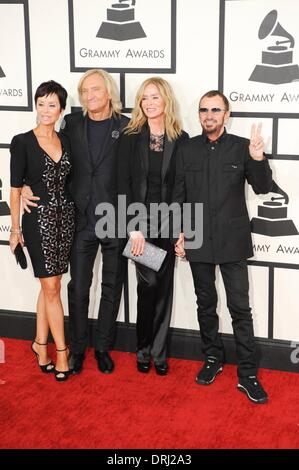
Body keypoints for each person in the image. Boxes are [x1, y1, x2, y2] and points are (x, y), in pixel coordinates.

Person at [21, 69, 129, 375]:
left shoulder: (127, 126)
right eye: (84, 92)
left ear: (109, 92)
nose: (90, 96)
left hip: (115, 218)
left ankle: (104, 348)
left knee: (111, 286)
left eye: (95, 90)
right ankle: (78, 348)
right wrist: (27, 186)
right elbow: (48, 161)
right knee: (79, 287)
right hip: (78, 219)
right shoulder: (71, 124)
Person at [173, 90, 273, 403]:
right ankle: (213, 359)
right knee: (206, 304)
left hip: (233, 240)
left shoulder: (243, 147)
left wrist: (258, 159)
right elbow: (179, 195)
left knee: (240, 309)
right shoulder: (187, 149)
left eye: (216, 110)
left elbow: (263, 187)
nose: (209, 115)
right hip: (198, 237)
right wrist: (178, 232)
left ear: (226, 115)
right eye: (204, 110)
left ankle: (248, 373)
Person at [118, 77, 189, 375]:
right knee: (147, 286)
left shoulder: (180, 138)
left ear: (166, 101)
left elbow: (183, 187)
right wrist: (133, 228)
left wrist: (182, 230)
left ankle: (158, 353)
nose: (148, 103)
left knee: (164, 289)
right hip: (140, 224)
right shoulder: (130, 136)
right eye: (144, 98)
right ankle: (143, 348)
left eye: (155, 97)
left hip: (168, 223)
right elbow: (122, 182)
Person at [10, 80, 74, 382]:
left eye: (52, 104)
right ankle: (61, 351)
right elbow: (14, 189)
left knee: (52, 286)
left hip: (66, 221)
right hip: (39, 221)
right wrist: (15, 229)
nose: (45, 110)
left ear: (61, 108)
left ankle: (39, 343)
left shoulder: (66, 139)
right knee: (51, 288)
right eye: (41, 103)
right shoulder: (22, 141)